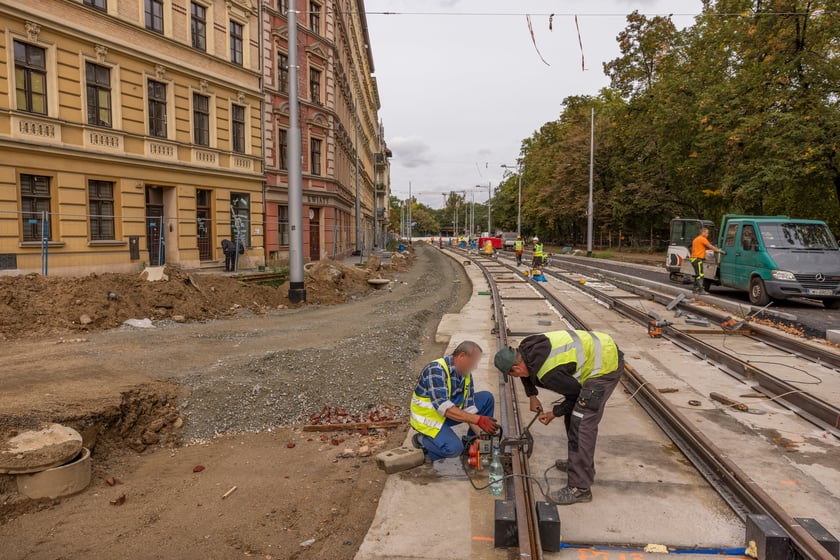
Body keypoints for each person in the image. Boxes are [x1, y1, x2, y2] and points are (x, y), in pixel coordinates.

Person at [494, 330, 624, 505]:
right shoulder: (525, 347)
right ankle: (578, 464)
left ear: (516, 368)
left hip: (605, 366)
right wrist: (532, 395)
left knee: (581, 422)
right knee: (575, 416)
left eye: (513, 375)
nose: (516, 377)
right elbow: (526, 373)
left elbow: (576, 396)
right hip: (601, 345)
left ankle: (580, 488)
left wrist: (554, 413)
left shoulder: (549, 373)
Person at [410, 341, 498, 461]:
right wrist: (479, 420)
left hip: (447, 414)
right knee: (454, 449)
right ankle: (422, 440)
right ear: (462, 356)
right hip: (428, 420)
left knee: (486, 398)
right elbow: (444, 408)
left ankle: (471, 443)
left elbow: (469, 409)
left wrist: (483, 439)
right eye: (473, 362)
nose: (475, 367)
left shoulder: (465, 374)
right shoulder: (436, 370)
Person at [690, 228, 724, 294]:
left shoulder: (696, 239)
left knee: (697, 275)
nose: (707, 235)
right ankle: (701, 290)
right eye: (707, 233)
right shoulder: (702, 239)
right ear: (703, 232)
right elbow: (710, 246)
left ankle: (695, 289)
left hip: (694, 259)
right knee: (700, 275)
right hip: (698, 259)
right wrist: (719, 250)